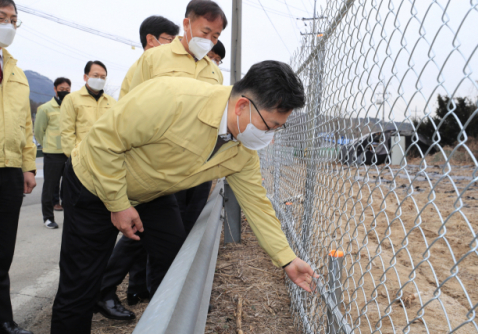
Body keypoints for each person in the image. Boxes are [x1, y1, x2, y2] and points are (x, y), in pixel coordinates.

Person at [50, 60, 317, 334]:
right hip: (93, 181)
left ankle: (165, 320)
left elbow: (258, 206)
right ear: (242, 107)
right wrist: (118, 204)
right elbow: (102, 143)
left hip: (151, 190)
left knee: (177, 260)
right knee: (80, 284)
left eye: (277, 129)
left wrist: (286, 259)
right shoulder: (172, 97)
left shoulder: (242, 153)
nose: (270, 138)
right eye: (270, 126)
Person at [96, 15, 180, 321]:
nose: (178, 48)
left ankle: (124, 290)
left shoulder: (160, 69)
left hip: (154, 169)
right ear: (152, 41)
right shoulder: (147, 69)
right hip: (142, 168)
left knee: (145, 236)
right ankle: (107, 290)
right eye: (171, 40)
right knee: (145, 236)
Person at [0, 1, 36, 333]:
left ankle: (4, 320)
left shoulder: (16, 72)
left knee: (2, 253)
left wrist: (28, 167)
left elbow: (25, 125)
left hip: (8, 169)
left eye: (13, 20)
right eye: (2, 18)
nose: (9, 25)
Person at [129, 0, 226, 91]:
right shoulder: (152, 58)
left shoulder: (215, 73)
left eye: (215, 36)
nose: (208, 40)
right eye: (205, 32)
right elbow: (132, 103)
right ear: (187, 24)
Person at [34, 77, 71, 229]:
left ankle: (71, 217)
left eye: (67, 89)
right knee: (50, 186)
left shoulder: (71, 107)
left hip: (69, 153)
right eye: (61, 89)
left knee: (70, 187)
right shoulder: (45, 108)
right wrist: (49, 144)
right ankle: (48, 218)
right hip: (53, 154)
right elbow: (38, 132)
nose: (65, 91)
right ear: (55, 89)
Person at [60, 60, 116, 158]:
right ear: (85, 77)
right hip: (82, 158)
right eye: (95, 75)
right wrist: (74, 156)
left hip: (106, 157)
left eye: (103, 77)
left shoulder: (112, 102)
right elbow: (67, 132)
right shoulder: (72, 99)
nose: (99, 79)